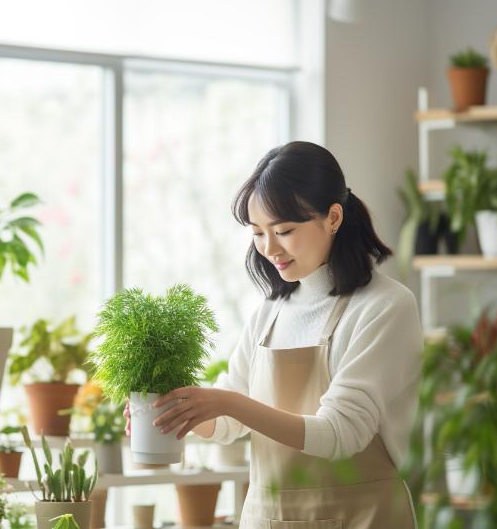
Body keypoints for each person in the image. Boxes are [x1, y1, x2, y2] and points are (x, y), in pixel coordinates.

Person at [126, 141, 422, 528]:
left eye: (283, 230)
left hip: (363, 516)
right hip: (269, 518)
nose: (269, 249)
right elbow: (229, 424)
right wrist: (181, 413)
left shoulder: (386, 307)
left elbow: (341, 433)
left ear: (333, 217)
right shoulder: (270, 312)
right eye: (257, 233)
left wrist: (228, 402)